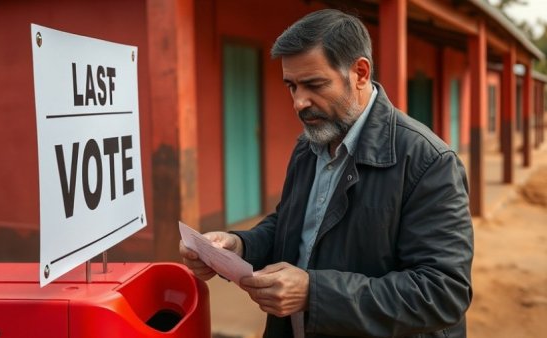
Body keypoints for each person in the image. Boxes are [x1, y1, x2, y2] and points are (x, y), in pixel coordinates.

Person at [180, 9, 473, 338]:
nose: (299, 102)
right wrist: (241, 246)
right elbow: (291, 224)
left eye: (314, 84)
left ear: (360, 73)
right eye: (291, 86)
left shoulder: (428, 162)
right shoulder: (308, 146)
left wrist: (314, 293)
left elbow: (443, 293)